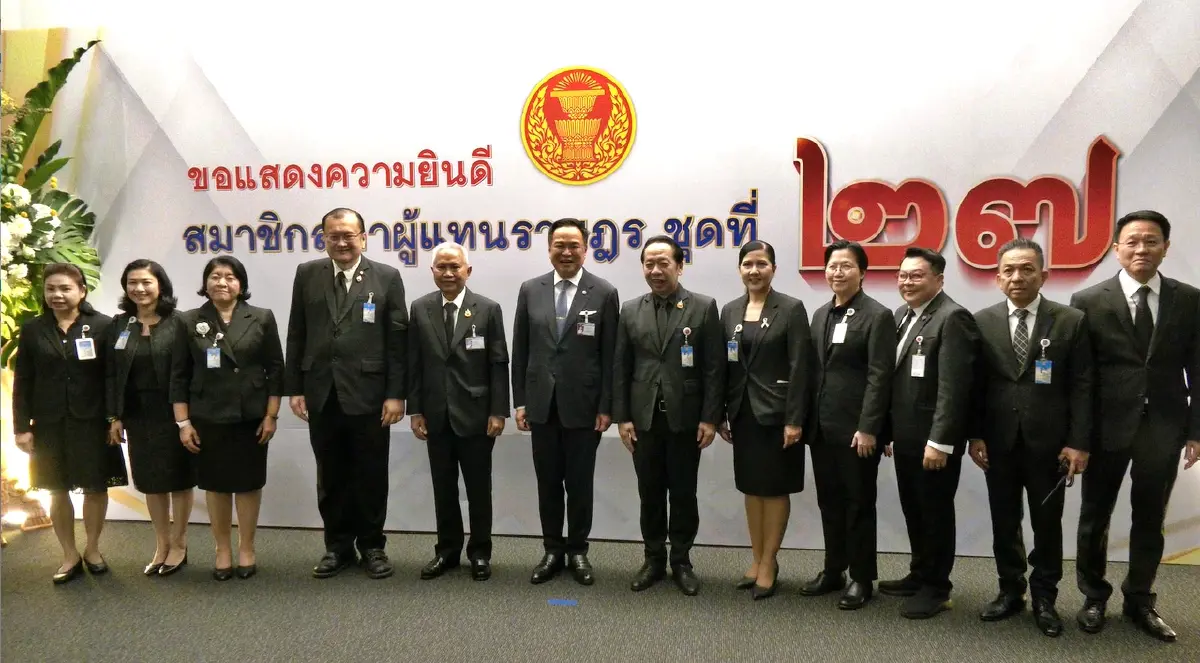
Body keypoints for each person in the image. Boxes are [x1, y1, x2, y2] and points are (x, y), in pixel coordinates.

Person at [1069, 210, 1200, 643]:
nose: (1141, 249)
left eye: (1151, 241)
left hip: (1163, 426)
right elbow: (1082, 377)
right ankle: (1093, 596)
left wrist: (1196, 431)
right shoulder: (1087, 300)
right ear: (1116, 248)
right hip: (1106, 428)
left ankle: (1140, 599)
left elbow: (1198, 370)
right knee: (1094, 517)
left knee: (1149, 519)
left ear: (1166, 246)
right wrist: (1078, 437)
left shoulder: (1190, 299)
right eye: (1132, 241)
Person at [967, 238, 1093, 637]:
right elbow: (974, 386)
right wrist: (975, 435)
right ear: (997, 277)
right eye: (1009, 270)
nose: (1017, 277)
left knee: (1047, 524)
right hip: (998, 443)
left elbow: (1083, 386)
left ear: (1044, 274)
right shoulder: (981, 320)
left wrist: (1078, 441)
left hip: (1050, 445)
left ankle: (1045, 596)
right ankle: (1010, 591)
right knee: (1004, 522)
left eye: (1026, 269)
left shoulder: (1070, 320)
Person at [284, 207, 408, 580]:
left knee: (370, 473)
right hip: (321, 391)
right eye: (333, 235)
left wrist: (395, 394)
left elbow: (397, 341)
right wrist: (295, 388)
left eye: (348, 235)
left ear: (363, 237)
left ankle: (372, 546)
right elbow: (296, 332)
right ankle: (337, 546)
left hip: (370, 394)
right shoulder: (307, 274)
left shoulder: (387, 277)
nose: (341, 242)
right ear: (324, 238)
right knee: (331, 473)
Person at [613, 235, 724, 596]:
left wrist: (710, 418)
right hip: (643, 420)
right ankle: (653, 559)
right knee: (650, 492)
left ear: (680, 265)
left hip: (686, 419)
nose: (656, 271)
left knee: (683, 492)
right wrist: (623, 418)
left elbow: (713, 368)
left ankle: (681, 560)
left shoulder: (703, 307)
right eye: (649, 264)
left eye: (664, 263)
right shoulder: (630, 309)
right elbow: (621, 367)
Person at [512, 218, 619, 586]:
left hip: (584, 406)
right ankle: (552, 549)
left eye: (574, 245)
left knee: (579, 482)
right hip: (541, 404)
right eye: (560, 244)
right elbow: (521, 350)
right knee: (547, 482)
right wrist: (520, 401)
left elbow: (610, 356)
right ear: (549, 248)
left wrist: (607, 406)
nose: (567, 252)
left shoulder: (603, 292)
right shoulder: (530, 289)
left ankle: (578, 550)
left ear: (586, 249)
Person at [12, 263, 129, 584]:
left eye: (65, 288)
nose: (57, 295)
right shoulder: (33, 329)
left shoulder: (104, 326)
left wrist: (113, 418)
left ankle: (92, 549)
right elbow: (24, 380)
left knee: (95, 486)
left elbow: (112, 377)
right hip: (49, 423)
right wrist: (21, 427)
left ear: (82, 291)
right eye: (51, 289)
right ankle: (68, 554)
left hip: (93, 422)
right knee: (56, 489)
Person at [879, 246, 979, 619]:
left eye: (916, 275)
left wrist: (940, 441)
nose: (907, 282)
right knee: (915, 510)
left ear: (939, 279)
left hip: (933, 443)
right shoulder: (903, 316)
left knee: (934, 513)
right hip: (906, 438)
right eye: (903, 275)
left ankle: (938, 588)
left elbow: (955, 389)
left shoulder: (953, 318)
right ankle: (919, 574)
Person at [174, 256, 284, 581]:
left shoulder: (261, 317)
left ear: (241, 284)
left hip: (251, 416)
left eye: (230, 276)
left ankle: (246, 547)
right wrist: (183, 423)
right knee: (217, 486)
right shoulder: (188, 320)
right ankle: (222, 549)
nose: (222, 282)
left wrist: (272, 415)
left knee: (249, 485)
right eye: (215, 276)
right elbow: (178, 375)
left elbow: (276, 369)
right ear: (205, 283)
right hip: (208, 416)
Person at [800, 240, 894, 610]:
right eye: (832, 266)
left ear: (862, 272)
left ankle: (861, 577)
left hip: (858, 432)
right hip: (822, 430)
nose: (837, 272)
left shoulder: (877, 315)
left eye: (846, 266)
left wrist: (870, 426)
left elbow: (880, 375)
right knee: (829, 503)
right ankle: (833, 569)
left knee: (858, 504)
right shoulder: (821, 313)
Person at [408, 242, 509, 582]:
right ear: (432, 271)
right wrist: (416, 409)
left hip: (478, 415)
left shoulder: (488, 309)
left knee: (479, 488)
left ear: (468, 270)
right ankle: (447, 551)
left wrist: (499, 411)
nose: (448, 273)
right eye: (441, 267)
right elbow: (416, 364)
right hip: (436, 413)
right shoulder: (420, 308)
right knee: (443, 487)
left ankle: (480, 552)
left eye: (455, 267)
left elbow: (498, 364)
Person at [718, 240, 811, 600]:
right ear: (740, 269)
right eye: (748, 265)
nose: (754, 271)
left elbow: (801, 367)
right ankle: (756, 558)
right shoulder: (729, 310)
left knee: (774, 490)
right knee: (751, 488)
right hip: (742, 414)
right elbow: (724, 367)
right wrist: (721, 413)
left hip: (777, 415)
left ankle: (770, 562)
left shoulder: (790, 309)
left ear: (773, 268)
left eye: (761, 264)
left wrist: (794, 419)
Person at [105, 259, 194, 577]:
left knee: (180, 480)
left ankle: (180, 543)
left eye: (146, 282)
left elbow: (190, 372)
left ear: (161, 286)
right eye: (132, 282)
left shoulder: (180, 322)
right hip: (137, 415)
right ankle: (161, 544)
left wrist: (187, 419)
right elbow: (112, 374)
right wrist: (114, 415)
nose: (139, 289)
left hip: (175, 413)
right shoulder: (120, 324)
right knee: (152, 483)